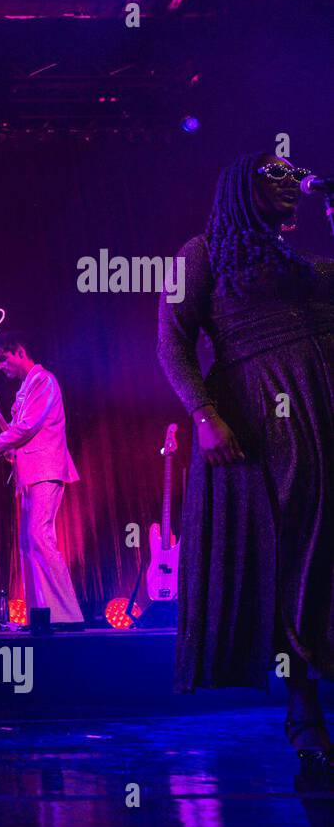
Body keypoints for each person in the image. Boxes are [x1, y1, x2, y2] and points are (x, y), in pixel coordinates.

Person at [157, 153, 334, 785]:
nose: (291, 181)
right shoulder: (202, 254)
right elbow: (172, 341)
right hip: (257, 430)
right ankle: (305, 717)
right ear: (241, 187)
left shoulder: (305, 264)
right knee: (284, 564)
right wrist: (204, 416)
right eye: (275, 172)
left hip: (325, 417)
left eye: (297, 173)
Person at [0, 331, 85, 625]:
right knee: (29, 544)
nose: (1, 367)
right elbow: (20, 436)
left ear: (19, 351)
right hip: (31, 473)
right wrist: (3, 450)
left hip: (46, 470)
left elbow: (26, 429)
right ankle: (41, 614)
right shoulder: (26, 389)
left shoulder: (43, 381)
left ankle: (67, 616)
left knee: (40, 538)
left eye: (3, 359)